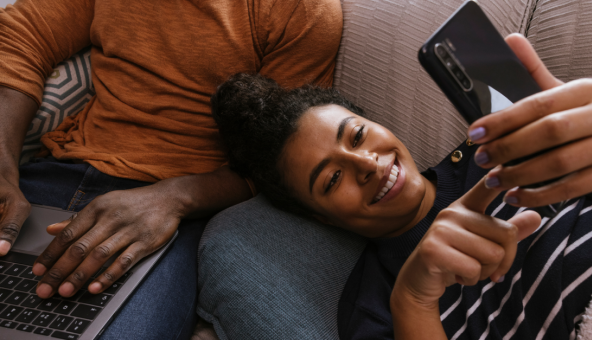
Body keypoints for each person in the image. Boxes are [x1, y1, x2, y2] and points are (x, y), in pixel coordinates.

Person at [211, 34, 592, 339]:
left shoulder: (497, 145)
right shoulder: (374, 304)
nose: (365, 164)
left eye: (358, 135)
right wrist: (414, 298)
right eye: (332, 179)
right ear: (316, 216)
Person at [0, 0, 342, 338]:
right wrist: (3, 169)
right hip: (59, 174)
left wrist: (172, 199)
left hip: (180, 212)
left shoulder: (301, 10)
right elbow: (22, 36)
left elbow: (282, 158)